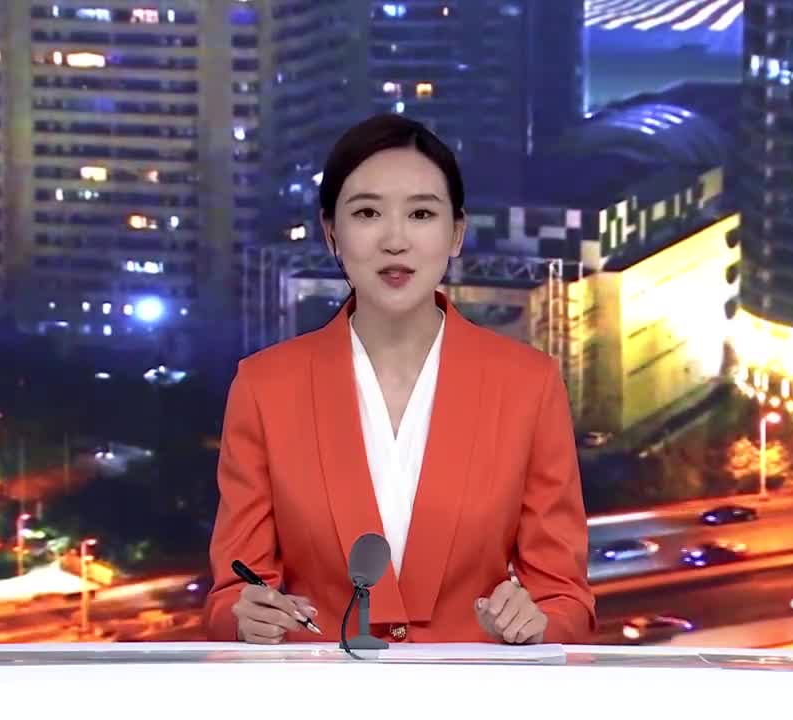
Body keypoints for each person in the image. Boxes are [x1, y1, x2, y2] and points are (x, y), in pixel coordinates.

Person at [205, 114, 595, 645]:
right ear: (331, 232)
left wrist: (538, 623)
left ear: (456, 233)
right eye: (367, 213)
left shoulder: (529, 385)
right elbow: (232, 594)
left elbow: (565, 599)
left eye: (421, 214)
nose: (394, 240)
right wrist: (244, 617)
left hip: (472, 687)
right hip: (319, 688)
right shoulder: (264, 387)